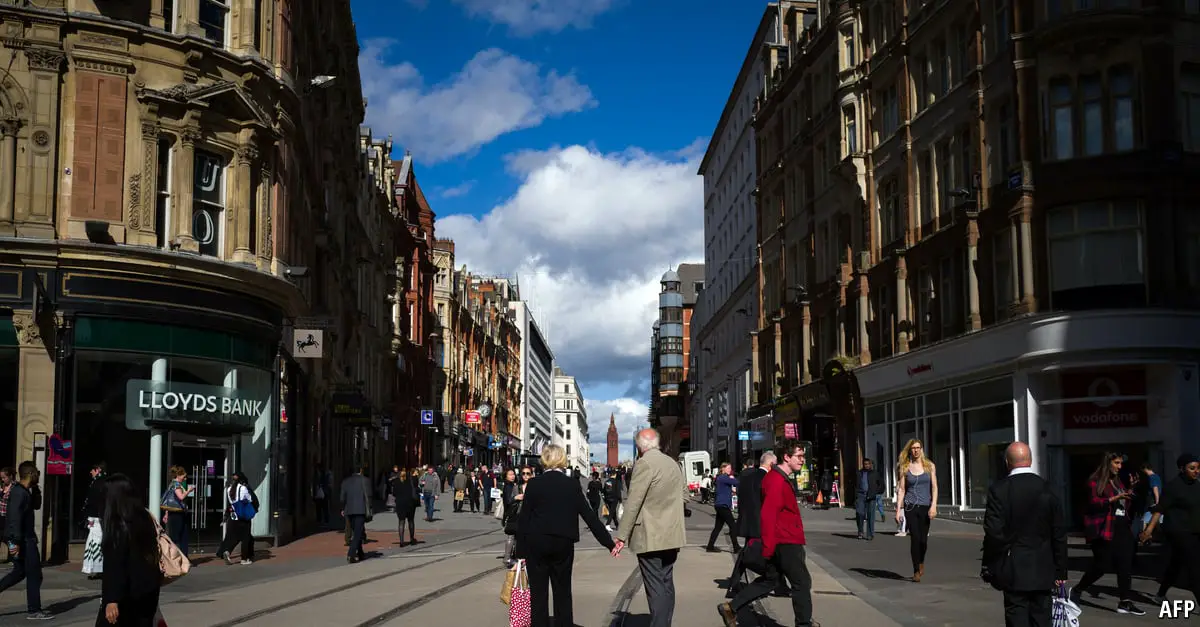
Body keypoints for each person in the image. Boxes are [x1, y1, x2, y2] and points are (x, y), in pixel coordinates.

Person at [718, 440, 816, 627]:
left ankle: (731, 607)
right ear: (786, 457)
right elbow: (768, 516)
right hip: (785, 541)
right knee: (802, 583)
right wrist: (768, 548)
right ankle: (804, 624)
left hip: (782, 539)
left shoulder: (778, 478)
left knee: (770, 580)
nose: (802, 460)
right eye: (799, 456)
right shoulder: (776, 481)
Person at [514, 445, 614, 627]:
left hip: (537, 544)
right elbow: (590, 516)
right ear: (562, 460)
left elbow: (524, 520)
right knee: (562, 593)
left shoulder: (534, 484)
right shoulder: (571, 485)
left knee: (538, 595)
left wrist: (520, 553)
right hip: (563, 543)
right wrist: (609, 543)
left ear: (544, 460)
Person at [980, 442, 1067, 627]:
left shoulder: (999, 490)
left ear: (1007, 462)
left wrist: (991, 563)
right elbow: (1058, 532)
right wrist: (1061, 569)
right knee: (1042, 618)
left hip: (1014, 568)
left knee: (1016, 617)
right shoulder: (1048, 489)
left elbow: (994, 532)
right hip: (1043, 568)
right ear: (1031, 460)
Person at [613, 429, 686, 627]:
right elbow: (685, 496)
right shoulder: (673, 463)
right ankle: (665, 623)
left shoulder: (644, 464)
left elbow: (633, 503)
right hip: (672, 534)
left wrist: (621, 537)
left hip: (650, 535)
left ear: (640, 446)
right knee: (666, 582)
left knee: (655, 586)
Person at [1070, 452, 1143, 615]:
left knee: (1125, 564)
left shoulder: (1117, 481)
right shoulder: (1095, 481)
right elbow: (1093, 503)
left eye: (1120, 463)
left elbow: (1124, 503)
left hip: (1122, 526)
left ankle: (1125, 601)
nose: (1119, 466)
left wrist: (1130, 490)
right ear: (1108, 463)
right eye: (1116, 463)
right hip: (1104, 527)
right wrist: (1114, 498)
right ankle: (1077, 589)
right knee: (1102, 564)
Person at [96, 474, 163, 627]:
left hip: (126, 596)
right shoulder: (145, 517)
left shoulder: (118, 525)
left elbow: (115, 565)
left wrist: (112, 599)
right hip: (148, 591)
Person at [1139, 453, 1200, 604]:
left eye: (1198, 468)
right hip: (1179, 532)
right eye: (1192, 468)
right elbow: (1160, 509)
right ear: (1182, 468)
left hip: (1194, 531)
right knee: (1194, 569)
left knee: (1176, 565)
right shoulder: (1174, 487)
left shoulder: (1197, 486)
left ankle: (1160, 595)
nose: (1196, 471)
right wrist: (1148, 531)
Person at [0, 461, 51, 619]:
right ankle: (34, 610)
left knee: (20, 572)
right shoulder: (18, 492)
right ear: (30, 474)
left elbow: (36, 506)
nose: (38, 475)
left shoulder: (25, 491)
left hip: (25, 538)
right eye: (35, 473)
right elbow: (14, 518)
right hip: (24, 540)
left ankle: (34, 609)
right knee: (34, 574)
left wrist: (36, 490)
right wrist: (14, 542)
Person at [895, 438, 938, 582]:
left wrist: (933, 506)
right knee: (915, 538)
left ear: (921, 449)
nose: (916, 450)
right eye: (913, 448)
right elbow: (901, 489)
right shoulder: (905, 467)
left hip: (926, 506)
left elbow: (934, 487)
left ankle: (921, 562)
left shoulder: (929, 466)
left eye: (918, 448)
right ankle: (915, 571)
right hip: (910, 506)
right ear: (910, 450)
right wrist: (898, 510)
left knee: (923, 540)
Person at [217, 471, 256, 565]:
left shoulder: (229, 489)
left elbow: (231, 502)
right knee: (245, 538)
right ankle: (244, 559)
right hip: (244, 515)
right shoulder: (243, 488)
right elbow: (249, 499)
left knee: (234, 536)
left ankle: (227, 551)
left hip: (234, 515)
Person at [706, 463, 740, 553]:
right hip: (723, 506)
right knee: (733, 526)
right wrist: (732, 478)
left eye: (730, 468)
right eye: (728, 468)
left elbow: (726, 488)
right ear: (723, 469)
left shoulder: (721, 478)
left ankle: (710, 546)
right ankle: (736, 547)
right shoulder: (724, 477)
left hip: (720, 505)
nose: (730, 470)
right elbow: (736, 482)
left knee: (718, 527)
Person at [82, 462, 108, 578]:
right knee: (95, 542)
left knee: (95, 542)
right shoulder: (104, 482)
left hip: (96, 518)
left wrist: (89, 517)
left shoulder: (99, 483)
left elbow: (93, 502)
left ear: (98, 470)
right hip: (99, 517)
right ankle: (99, 569)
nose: (90, 472)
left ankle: (100, 568)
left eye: (92, 470)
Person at [340, 466, 370, 563]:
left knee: (357, 530)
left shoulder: (345, 482)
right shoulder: (365, 480)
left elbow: (342, 498)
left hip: (349, 510)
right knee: (357, 533)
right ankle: (351, 553)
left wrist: (343, 508)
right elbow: (369, 496)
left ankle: (360, 552)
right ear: (360, 471)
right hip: (360, 510)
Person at [854, 459, 883, 541]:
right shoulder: (859, 473)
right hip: (861, 495)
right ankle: (860, 531)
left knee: (871, 515)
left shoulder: (875, 473)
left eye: (868, 464)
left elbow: (881, 484)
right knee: (859, 513)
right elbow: (855, 485)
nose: (866, 465)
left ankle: (870, 534)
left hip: (871, 496)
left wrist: (876, 492)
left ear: (870, 465)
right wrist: (856, 495)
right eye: (865, 464)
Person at [391, 469, 418, 546]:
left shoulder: (396, 482)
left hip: (400, 504)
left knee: (401, 522)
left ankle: (401, 541)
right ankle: (412, 538)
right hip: (409, 503)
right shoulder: (410, 481)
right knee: (411, 521)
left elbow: (394, 493)